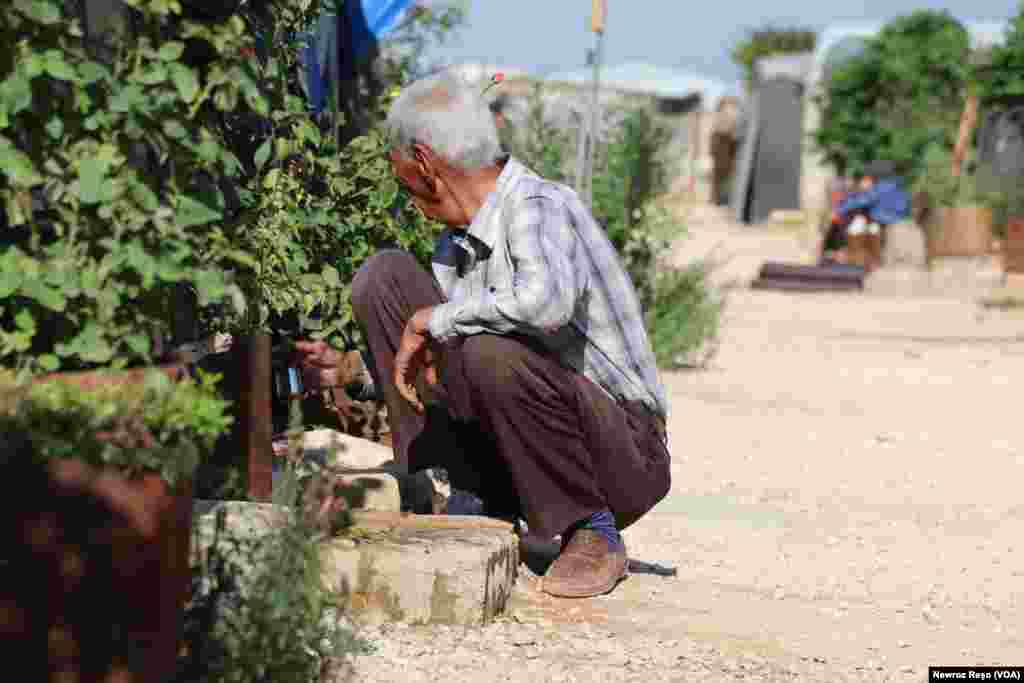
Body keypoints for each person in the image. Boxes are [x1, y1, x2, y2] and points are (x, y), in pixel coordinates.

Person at [293, 69, 671, 599]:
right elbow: (443, 364)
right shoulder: (458, 246)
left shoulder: (539, 206)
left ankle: (592, 529)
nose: (403, 188)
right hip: (519, 434)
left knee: (487, 348)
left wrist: (434, 319)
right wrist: (354, 372)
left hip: (621, 453)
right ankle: (460, 492)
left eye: (400, 170)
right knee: (386, 280)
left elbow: (546, 305)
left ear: (423, 161)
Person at [832, 160, 912, 270]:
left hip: (885, 217)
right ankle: (865, 256)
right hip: (898, 217)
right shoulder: (899, 185)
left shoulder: (882, 187)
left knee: (859, 222)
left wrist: (839, 210)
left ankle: (858, 256)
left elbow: (863, 200)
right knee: (864, 222)